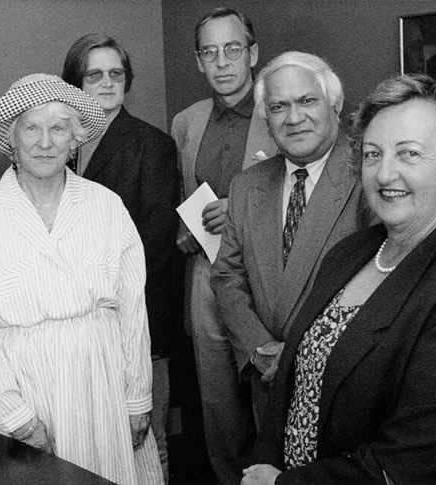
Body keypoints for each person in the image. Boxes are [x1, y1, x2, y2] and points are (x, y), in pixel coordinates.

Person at [244, 74, 436, 485]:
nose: (385, 173)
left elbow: (413, 464)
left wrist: (283, 484)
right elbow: (291, 380)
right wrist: (267, 463)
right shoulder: (350, 253)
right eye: (373, 155)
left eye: (409, 154)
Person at [0, 73, 162, 485]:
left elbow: (133, 311)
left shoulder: (106, 206)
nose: (45, 142)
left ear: (74, 139)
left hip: (102, 389)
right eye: (32, 128)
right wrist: (18, 419)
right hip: (22, 392)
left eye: (58, 128)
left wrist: (138, 397)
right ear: (12, 139)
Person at [211, 51, 371, 433]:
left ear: (335, 103)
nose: (294, 118)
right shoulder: (246, 186)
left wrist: (302, 354)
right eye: (279, 106)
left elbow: (385, 285)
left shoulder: (368, 175)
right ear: (266, 118)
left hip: (343, 386)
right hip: (267, 386)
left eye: (307, 101)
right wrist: (259, 351)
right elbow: (227, 277)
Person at [62, 33, 179, 484]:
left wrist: (93, 286)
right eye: (95, 74)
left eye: (117, 74)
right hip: (77, 323)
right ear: (75, 82)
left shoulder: (152, 144)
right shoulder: (60, 142)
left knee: (147, 441)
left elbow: (156, 237)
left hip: (137, 316)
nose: (108, 83)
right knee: (87, 441)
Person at [171, 7, 277, 484]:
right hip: (205, 272)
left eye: (232, 49)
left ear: (252, 53)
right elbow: (182, 196)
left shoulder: (280, 110)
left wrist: (241, 205)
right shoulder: (186, 122)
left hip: (266, 272)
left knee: (269, 387)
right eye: (209, 52)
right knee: (215, 395)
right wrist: (185, 230)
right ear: (198, 61)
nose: (222, 62)